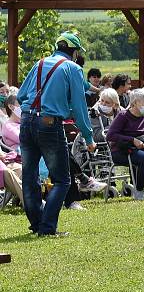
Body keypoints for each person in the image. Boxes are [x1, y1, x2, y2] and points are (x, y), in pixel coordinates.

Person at [17, 31, 96, 236]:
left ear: (57, 47)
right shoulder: (73, 68)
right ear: (75, 52)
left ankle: (37, 224)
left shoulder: (39, 63)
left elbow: (21, 95)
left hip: (26, 120)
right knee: (62, 179)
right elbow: (79, 107)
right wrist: (88, 137)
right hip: (49, 124)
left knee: (30, 176)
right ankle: (47, 227)